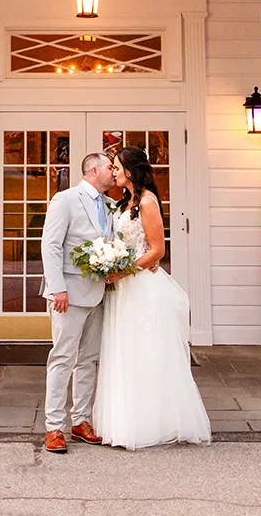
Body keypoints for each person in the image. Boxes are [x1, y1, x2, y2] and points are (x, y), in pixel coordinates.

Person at [91, 145, 212, 448]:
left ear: (130, 171)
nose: (113, 172)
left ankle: (151, 423)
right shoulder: (123, 204)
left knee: (146, 351)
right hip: (122, 289)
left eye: (117, 167)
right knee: (123, 350)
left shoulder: (147, 202)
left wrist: (123, 270)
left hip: (141, 286)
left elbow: (157, 250)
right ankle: (123, 421)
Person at [38, 151, 115, 453]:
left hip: (98, 294)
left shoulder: (108, 206)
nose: (114, 172)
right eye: (110, 167)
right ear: (94, 170)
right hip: (67, 294)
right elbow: (51, 245)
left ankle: (81, 420)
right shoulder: (65, 200)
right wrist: (58, 288)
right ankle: (53, 427)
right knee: (62, 358)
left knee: (88, 360)